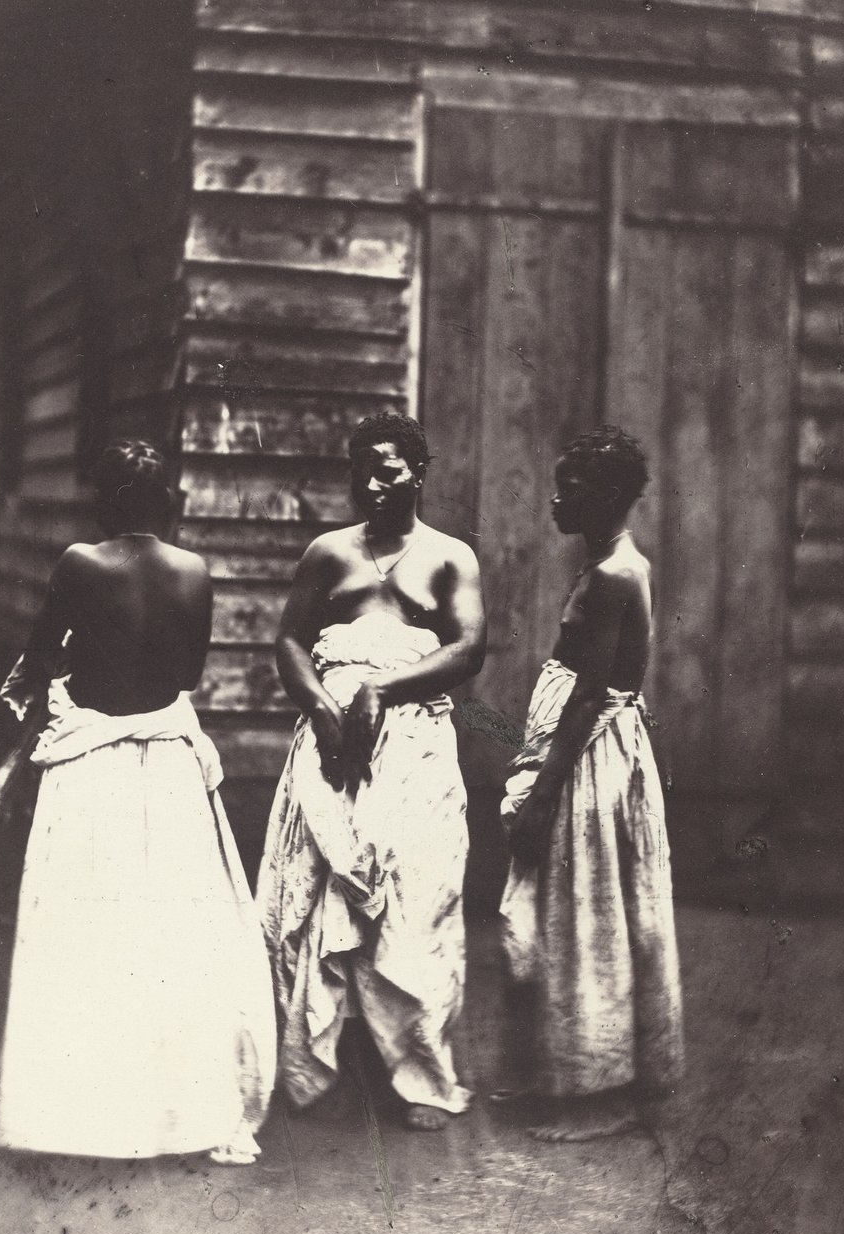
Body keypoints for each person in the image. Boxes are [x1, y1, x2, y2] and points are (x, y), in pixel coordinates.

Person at [0, 440, 276, 1163]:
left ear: (108, 500)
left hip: (93, 763)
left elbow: (39, 657)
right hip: (168, 762)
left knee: (86, 928)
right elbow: (188, 672)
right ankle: (175, 1111)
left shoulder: (80, 563)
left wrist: (36, 727)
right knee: (168, 933)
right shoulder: (194, 570)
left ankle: (82, 1112)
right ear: (165, 501)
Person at [257, 412, 486, 1131]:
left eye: (388, 472)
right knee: (323, 893)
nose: (373, 487)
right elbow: (289, 641)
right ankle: (324, 1055)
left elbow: (469, 647)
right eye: (362, 474)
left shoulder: (450, 557)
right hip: (332, 750)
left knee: (415, 898)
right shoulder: (329, 553)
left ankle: (417, 1071)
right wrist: (324, 707)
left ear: (419, 472)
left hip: (413, 749)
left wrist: (381, 690)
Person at [497, 426, 684, 1141]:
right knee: (567, 913)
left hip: (587, 759)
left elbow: (590, 696)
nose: (554, 500)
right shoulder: (607, 563)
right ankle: (561, 1072)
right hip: (587, 747)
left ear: (606, 497)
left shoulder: (614, 575)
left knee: (588, 916)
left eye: (569, 490)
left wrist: (544, 794)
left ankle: (601, 1094)